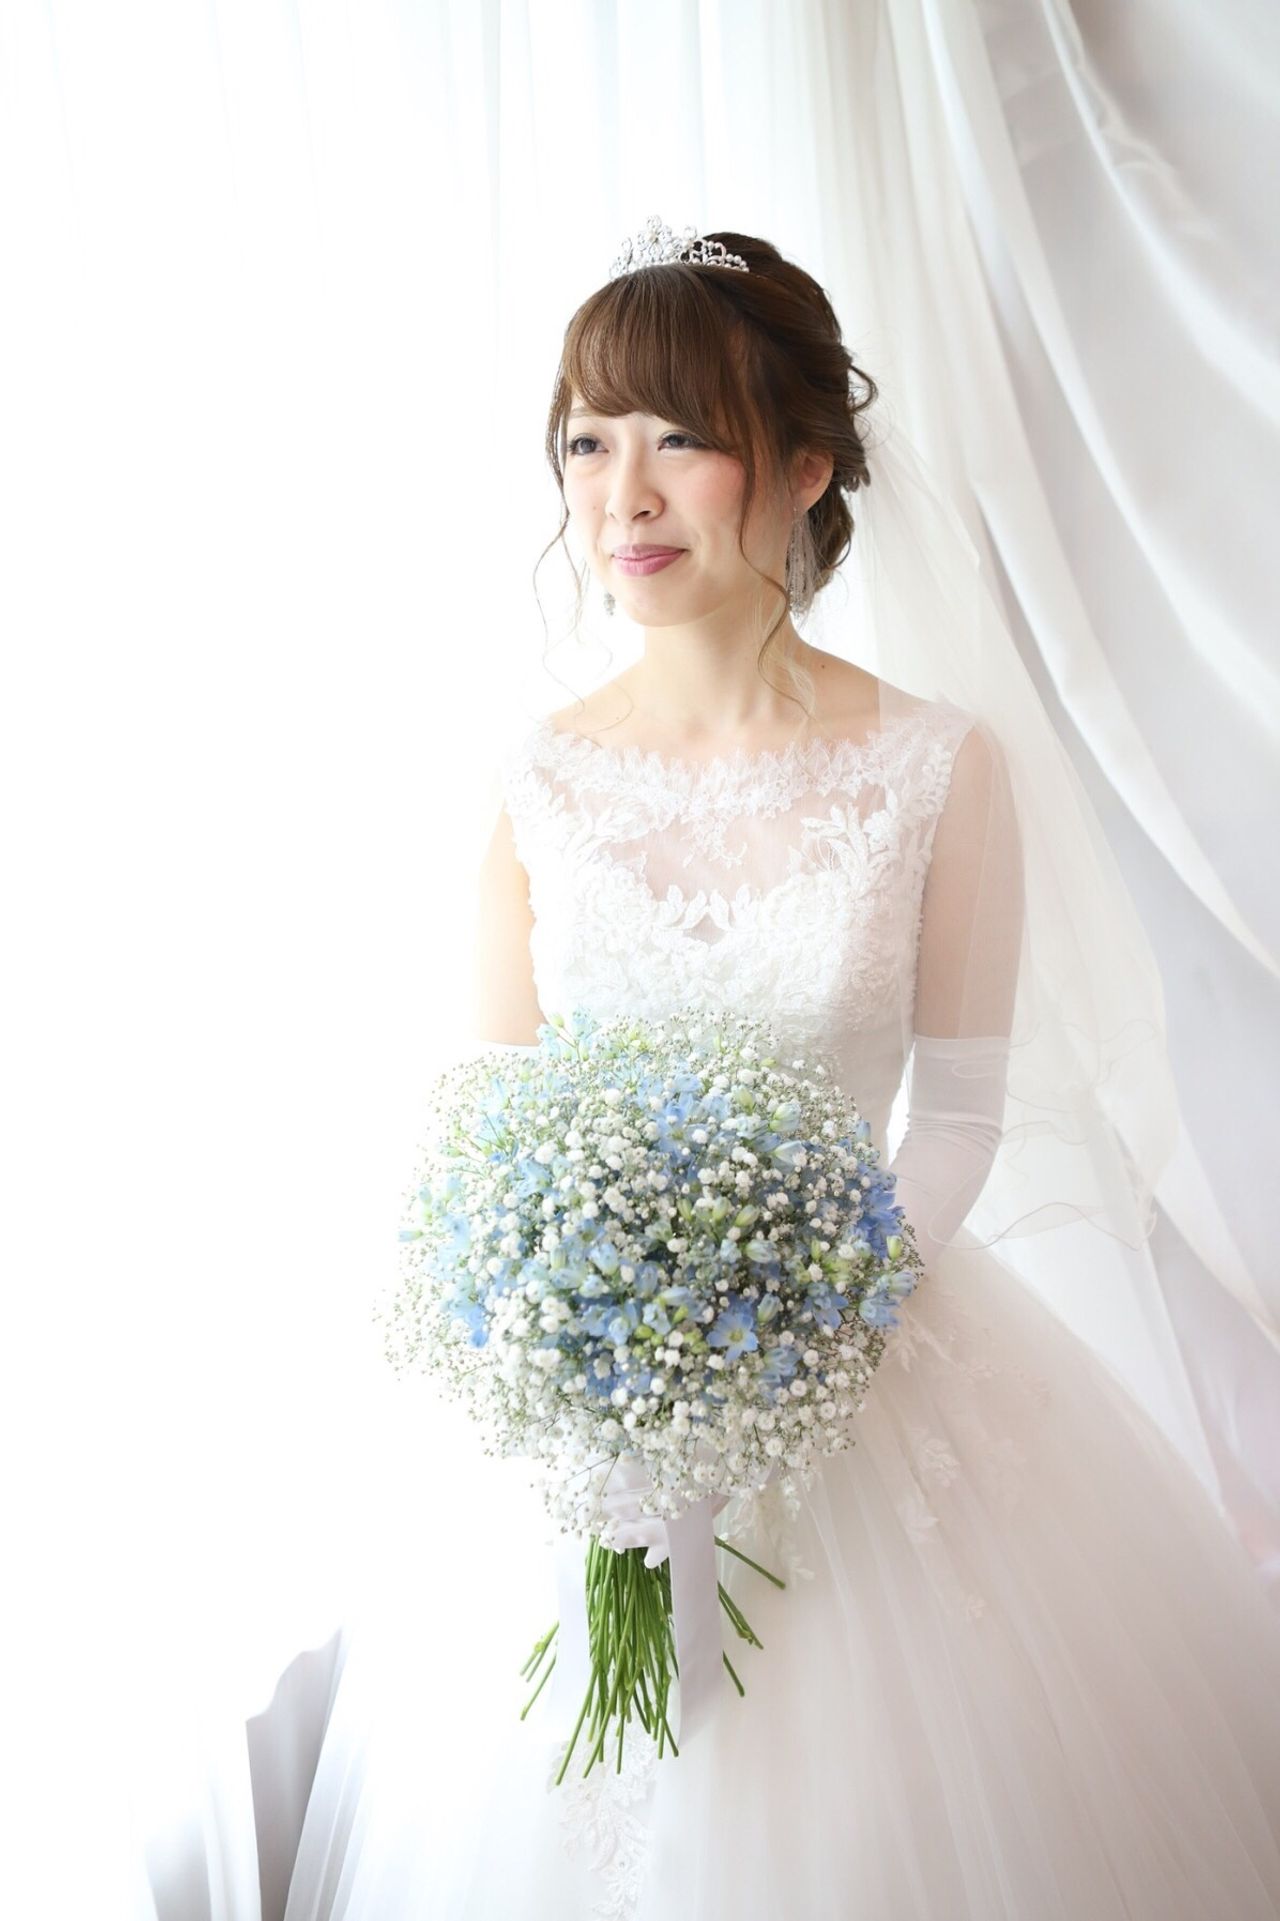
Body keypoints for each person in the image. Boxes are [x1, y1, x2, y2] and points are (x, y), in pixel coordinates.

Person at [281, 221, 1280, 1919]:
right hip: (593, 1418)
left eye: (681, 436)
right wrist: (606, 1383)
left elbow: (957, 1110)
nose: (624, 494)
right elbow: (496, 1130)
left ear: (806, 465)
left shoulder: (937, 766)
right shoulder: (536, 780)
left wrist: (803, 1335)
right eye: (587, 441)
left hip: (867, 1363)